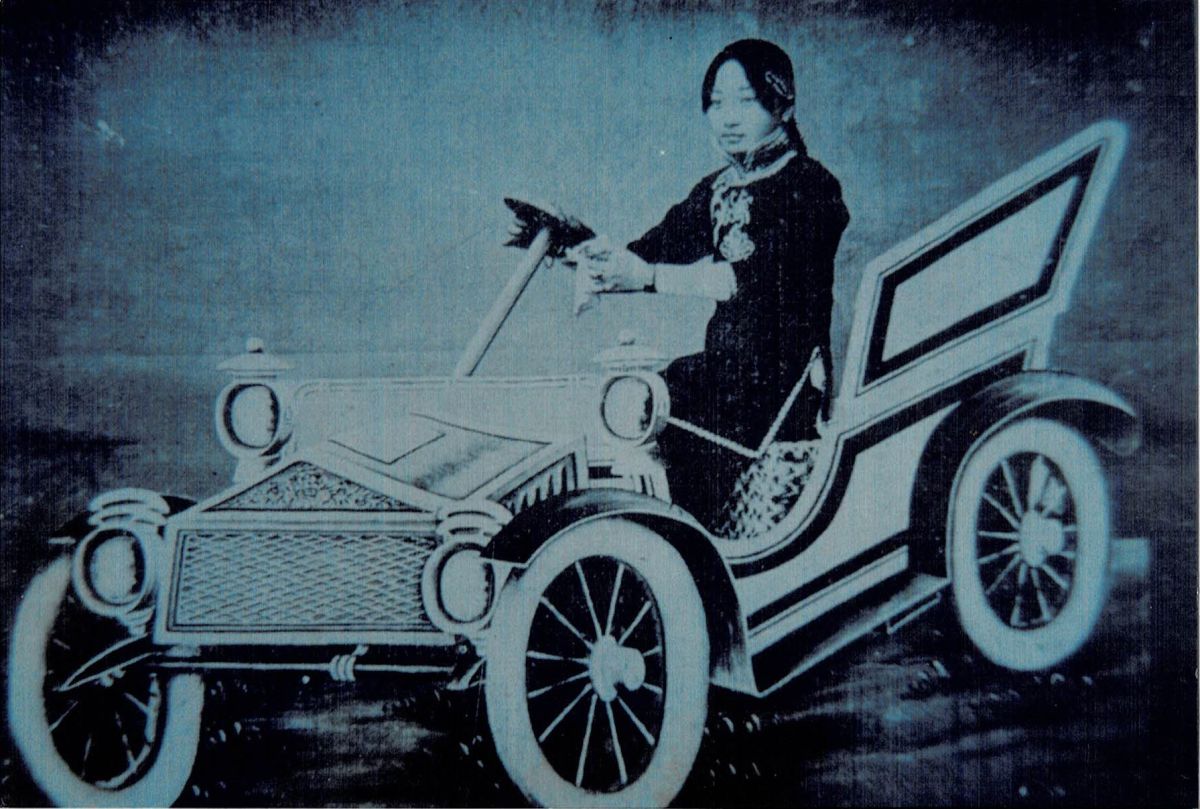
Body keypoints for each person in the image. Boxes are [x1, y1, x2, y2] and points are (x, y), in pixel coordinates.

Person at [575, 38, 849, 528]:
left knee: (672, 400)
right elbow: (657, 247)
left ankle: (699, 551)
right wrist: (578, 249)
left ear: (782, 103)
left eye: (745, 101)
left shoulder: (811, 187)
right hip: (727, 371)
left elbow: (757, 282)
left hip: (781, 379)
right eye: (717, 104)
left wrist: (648, 278)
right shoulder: (718, 188)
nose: (728, 118)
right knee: (649, 397)